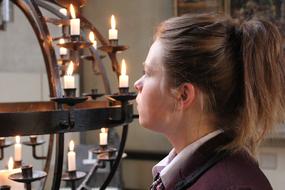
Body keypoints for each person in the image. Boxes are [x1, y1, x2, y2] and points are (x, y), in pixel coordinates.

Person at [134, 13, 285, 190]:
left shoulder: (233, 185)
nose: (137, 84)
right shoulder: (194, 170)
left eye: (148, 72)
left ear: (183, 95)